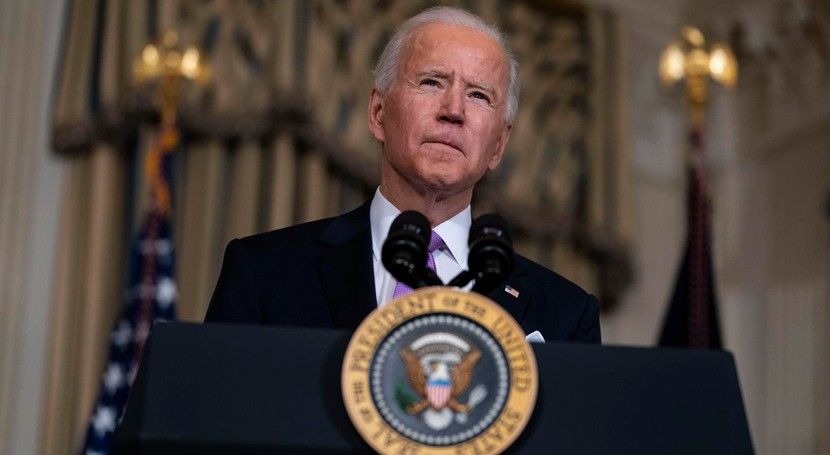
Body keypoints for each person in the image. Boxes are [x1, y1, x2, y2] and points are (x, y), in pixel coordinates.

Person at [205, 6, 600, 343]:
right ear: (378, 113)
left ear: (498, 145)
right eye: (431, 82)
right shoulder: (264, 273)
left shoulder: (565, 314)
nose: (454, 110)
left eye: (479, 95)